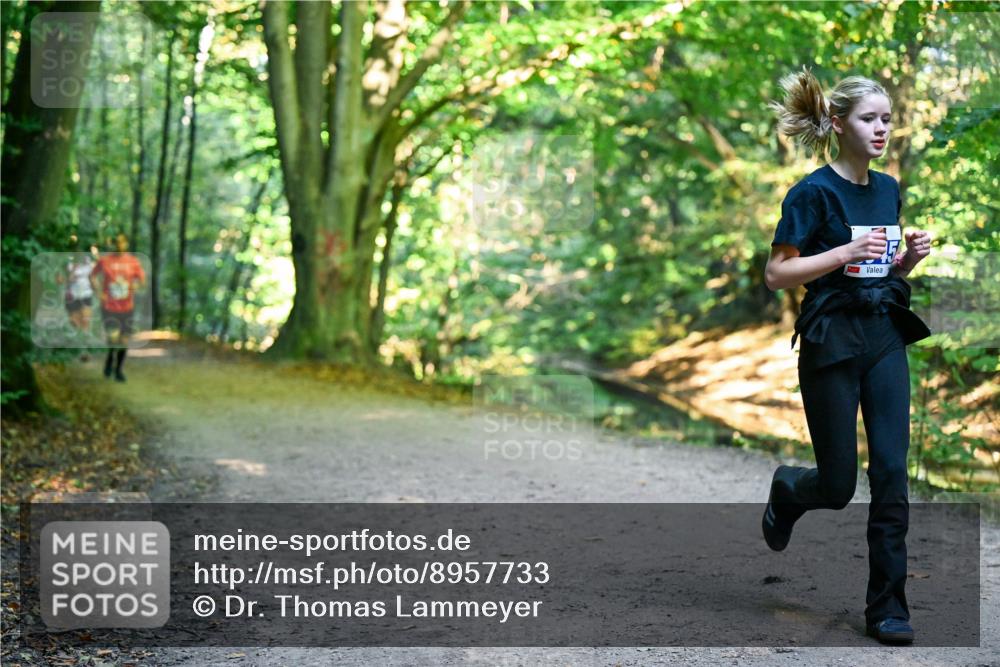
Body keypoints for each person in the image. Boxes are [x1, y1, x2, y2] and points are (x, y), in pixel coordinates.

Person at [762, 67, 933, 646]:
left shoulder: (886, 188)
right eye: (869, 118)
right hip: (831, 342)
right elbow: (776, 274)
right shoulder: (811, 193)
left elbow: (876, 268)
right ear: (838, 124)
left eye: (886, 118)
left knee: (890, 473)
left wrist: (907, 258)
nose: (881, 128)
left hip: (884, 334)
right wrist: (842, 251)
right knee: (837, 486)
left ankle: (887, 607)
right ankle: (790, 489)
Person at [90, 232, 146, 382]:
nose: (119, 245)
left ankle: (118, 370)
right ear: (113, 244)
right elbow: (93, 275)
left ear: (126, 244)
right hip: (109, 306)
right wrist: (99, 292)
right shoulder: (105, 260)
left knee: (124, 340)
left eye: (122, 242)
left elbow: (141, 279)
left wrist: (135, 285)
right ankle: (110, 357)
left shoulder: (133, 261)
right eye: (116, 242)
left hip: (127, 307)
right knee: (113, 338)